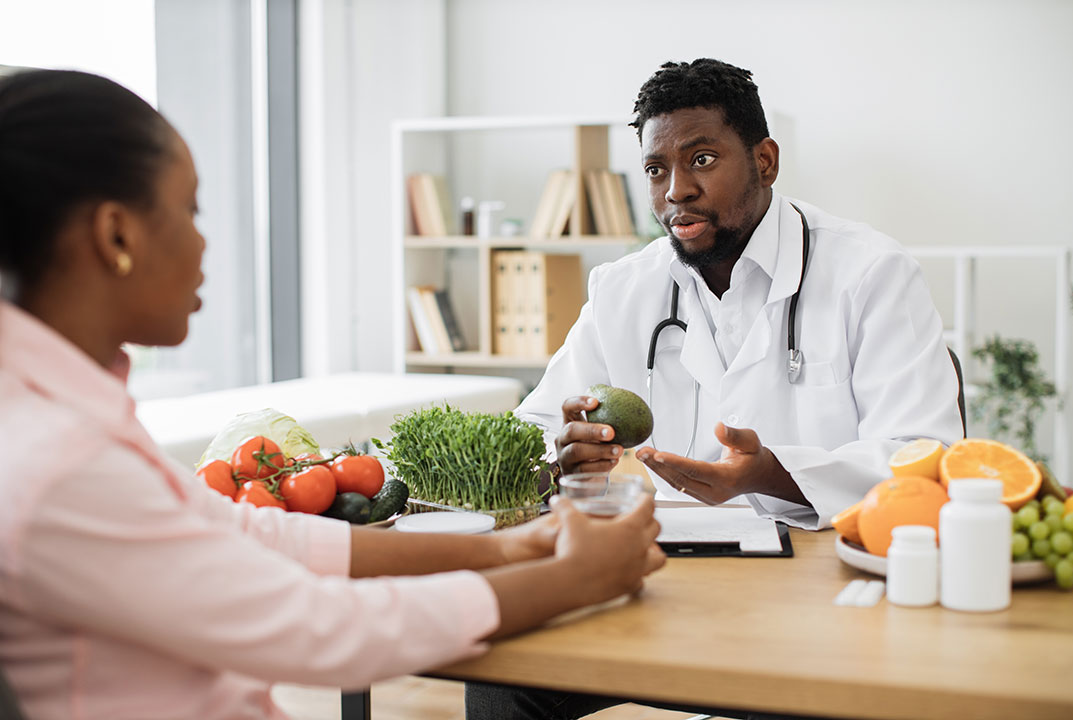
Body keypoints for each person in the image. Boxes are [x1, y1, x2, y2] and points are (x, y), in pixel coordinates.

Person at [0, 69, 666, 720]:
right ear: (116, 233)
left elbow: (246, 534)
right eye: (190, 209)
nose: (205, 241)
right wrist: (572, 579)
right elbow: (321, 630)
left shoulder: (52, 417)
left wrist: (506, 548)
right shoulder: (57, 461)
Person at [465, 58, 963, 719]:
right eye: (656, 169)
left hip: (813, 592)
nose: (677, 190)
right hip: (655, 576)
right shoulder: (625, 289)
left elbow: (923, 457)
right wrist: (563, 449)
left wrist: (771, 474)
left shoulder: (870, 274)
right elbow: (535, 423)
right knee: (504, 677)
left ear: (765, 160)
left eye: (701, 160)